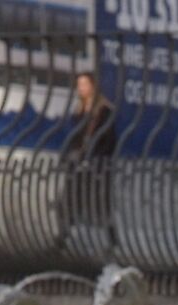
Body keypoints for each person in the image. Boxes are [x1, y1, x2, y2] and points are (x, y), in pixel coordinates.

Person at [62, 70, 117, 246]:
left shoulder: (104, 110)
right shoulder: (79, 110)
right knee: (70, 197)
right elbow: (75, 136)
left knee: (100, 202)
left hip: (97, 163)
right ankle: (65, 234)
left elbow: (109, 139)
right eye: (79, 85)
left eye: (85, 84)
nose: (81, 88)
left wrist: (95, 156)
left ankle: (111, 238)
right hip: (79, 162)